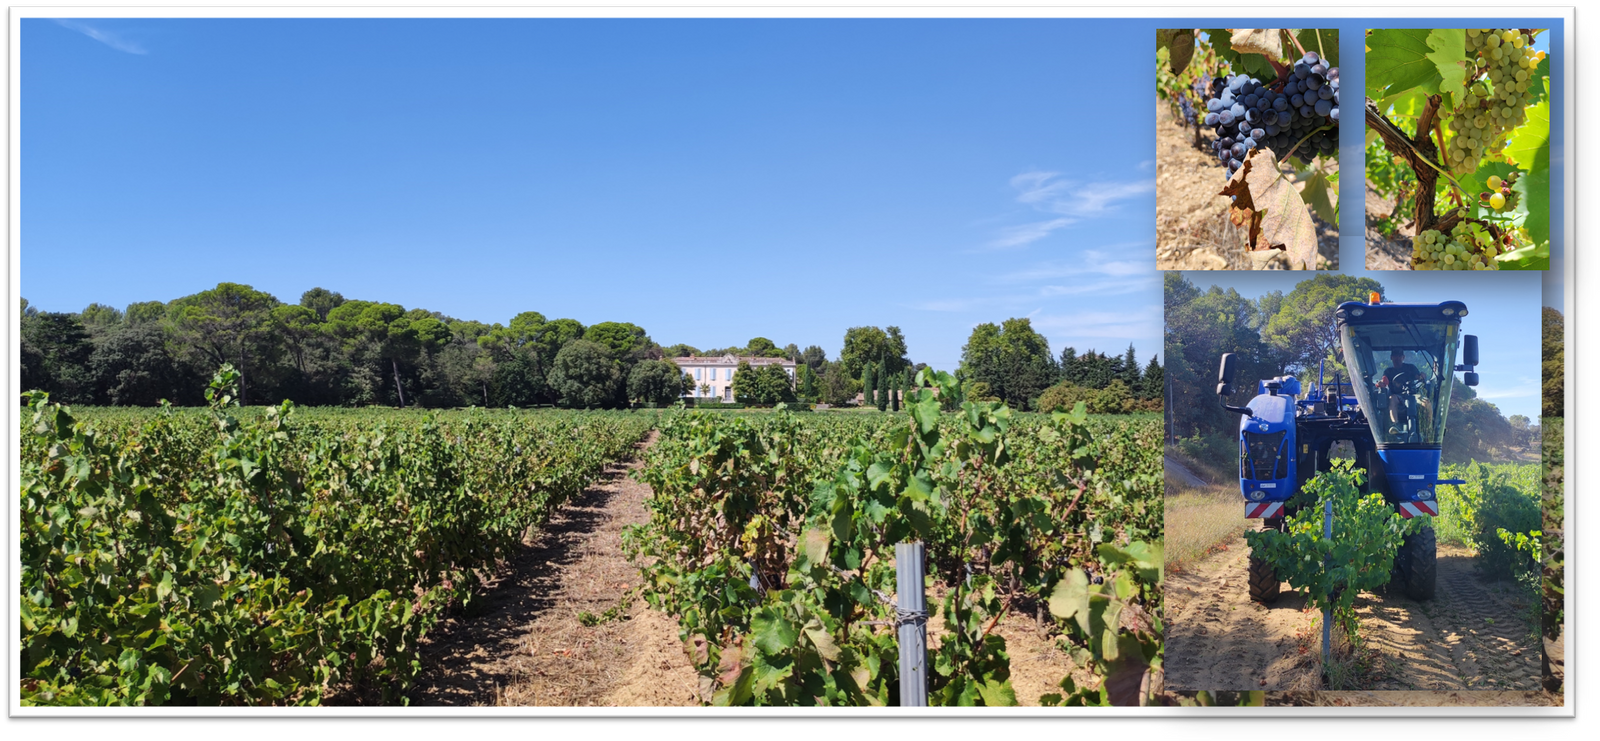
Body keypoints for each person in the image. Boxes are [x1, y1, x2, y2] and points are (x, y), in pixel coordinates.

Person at [1376, 350, 1422, 432]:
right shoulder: (1388, 371)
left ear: (1403, 357)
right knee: (1392, 398)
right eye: (1395, 356)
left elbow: (1419, 377)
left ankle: (1429, 427)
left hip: (1413, 395)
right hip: (1398, 397)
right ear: (1391, 358)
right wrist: (1381, 383)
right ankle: (1395, 425)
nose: (1397, 358)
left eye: (1399, 356)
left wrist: (1422, 376)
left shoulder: (1411, 368)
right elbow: (1384, 381)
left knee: (1426, 402)